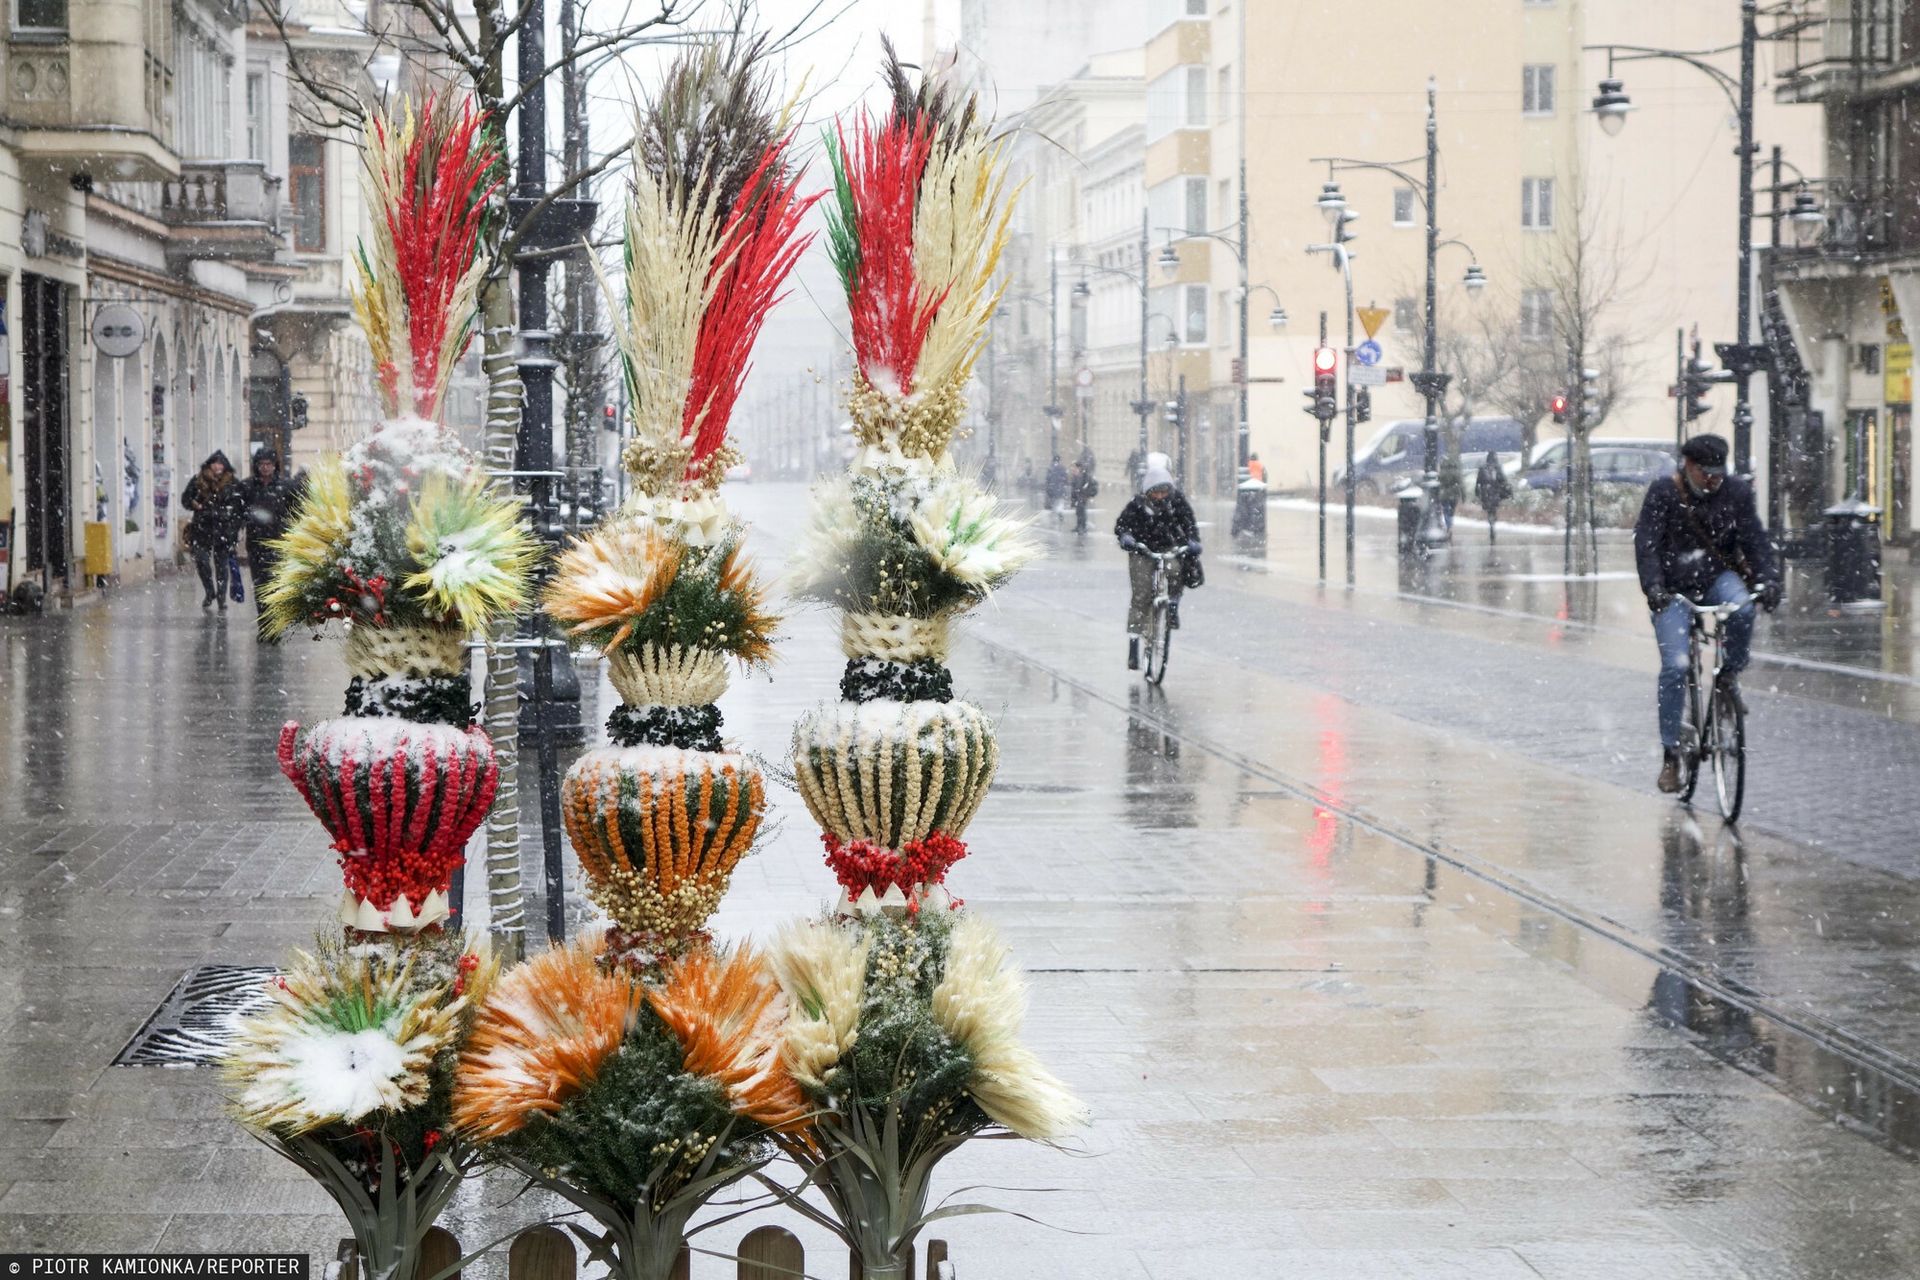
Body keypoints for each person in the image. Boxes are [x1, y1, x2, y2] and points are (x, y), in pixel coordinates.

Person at [1633, 434, 1781, 793]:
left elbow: (1754, 539)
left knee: (1743, 610)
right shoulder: (1664, 493)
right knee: (1676, 666)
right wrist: (1654, 588)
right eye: (1706, 473)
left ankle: (1729, 675)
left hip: (1716, 577)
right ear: (1688, 466)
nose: (1713, 480)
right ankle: (1671, 753)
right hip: (1673, 587)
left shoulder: (1736, 493)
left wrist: (1768, 579)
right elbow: (1647, 545)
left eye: (1718, 473)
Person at [1113, 464, 1200, 670]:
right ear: (1148, 491)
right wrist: (1126, 537)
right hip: (1142, 550)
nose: (1160, 496)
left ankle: (1173, 604)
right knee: (1141, 595)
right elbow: (1122, 525)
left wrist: (1192, 541)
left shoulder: (1177, 502)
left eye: (1164, 492)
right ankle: (1134, 642)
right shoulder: (1137, 505)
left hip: (1168, 547)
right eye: (1156, 492)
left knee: (1175, 570)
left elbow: (1189, 523)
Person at [181, 450, 246, 611]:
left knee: (222, 566)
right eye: (215, 463)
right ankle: (210, 591)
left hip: (223, 529)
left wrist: (235, 525)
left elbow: (240, 505)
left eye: (221, 464)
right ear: (209, 465)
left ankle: (221, 597)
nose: (218, 466)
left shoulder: (233, 483)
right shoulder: (199, 480)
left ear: (225, 466)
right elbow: (186, 499)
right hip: (202, 527)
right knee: (202, 561)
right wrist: (194, 503)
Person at [239, 449, 298, 616]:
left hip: (279, 542)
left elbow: (296, 511)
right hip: (256, 543)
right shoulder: (247, 486)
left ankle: (275, 619)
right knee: (260, 585)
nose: (265, 467)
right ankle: (264, 619)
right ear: (257, 466)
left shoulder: (285, 486)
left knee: (276, 584)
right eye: (262, 464)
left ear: (274, 466)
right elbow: (239, 511)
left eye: (269, 464)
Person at [1474, 451, 1512, 543]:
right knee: (1493, 510)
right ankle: (1493, 523)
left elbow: (1478, 482)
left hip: (1486, 493)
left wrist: (1478, 493)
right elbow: (1503, 480)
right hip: (1495, 492)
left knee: (1489, 511)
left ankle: (1491, 523)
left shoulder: (1483, 468)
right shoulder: (1497, 468)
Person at [1069, 457, 1098, 535]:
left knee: (1082, 512)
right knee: (1078, 512)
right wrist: (1074, 498)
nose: (1074, 469)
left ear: (1079, 468)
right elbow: (1074, 487)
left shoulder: (1085, 475)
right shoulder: (1077, 475)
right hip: (1078, 496)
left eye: (1075, 467)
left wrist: (1086, 494)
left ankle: (1083, 527)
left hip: (1082, 497)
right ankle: (1079, 526)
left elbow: (1090, 485)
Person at [1043, 455, 1069, 523]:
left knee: (1054, 504)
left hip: (1052, 490)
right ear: (1059, 460)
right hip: (1060, 490)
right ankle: (1060, 513)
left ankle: (1054, 518)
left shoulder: (1050, 468)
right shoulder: (1063, 468)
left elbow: (1047, 480)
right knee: (1060, 503)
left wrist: (1048, 489)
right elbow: (1066, 480)